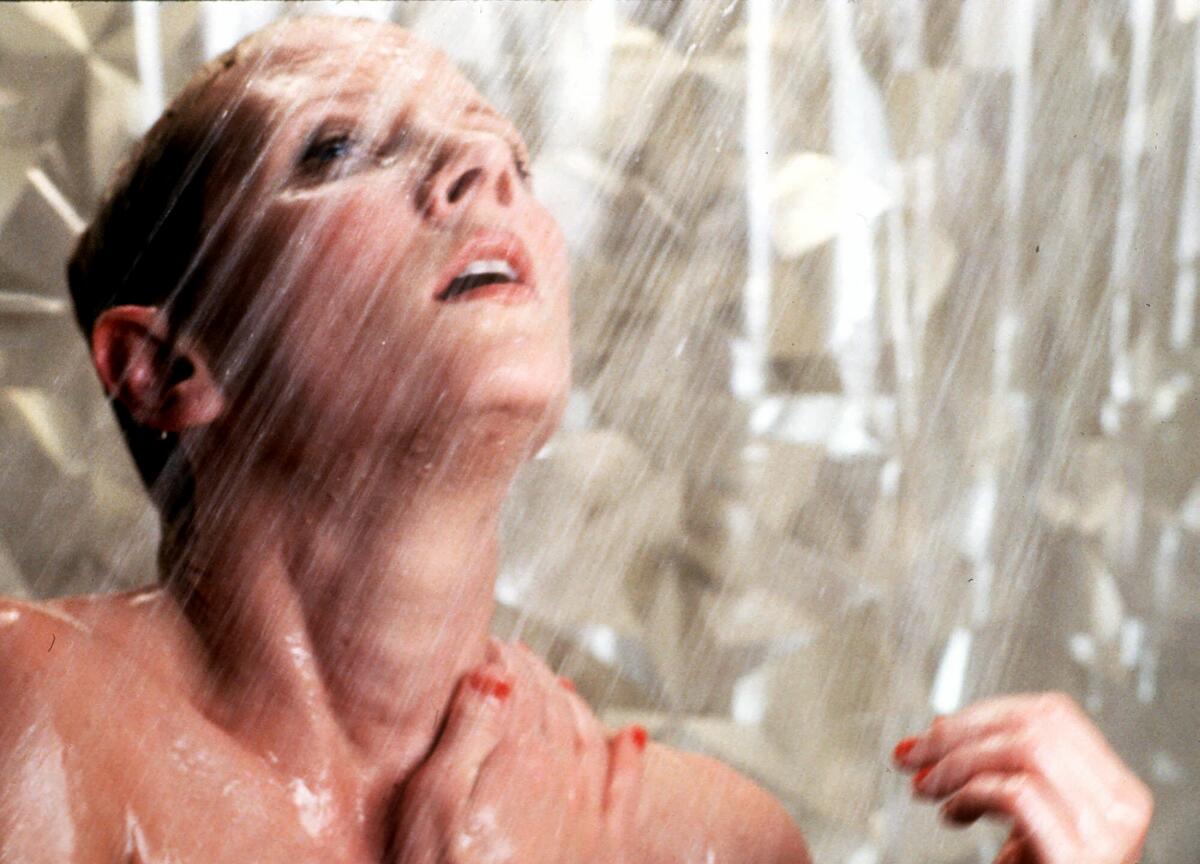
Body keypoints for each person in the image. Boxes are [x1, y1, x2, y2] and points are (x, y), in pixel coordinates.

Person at [0, 16, 1151, 864]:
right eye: (337, 150)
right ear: (165, 368)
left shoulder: (701, 842)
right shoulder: (21, 714)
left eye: (512, 156)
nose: (483, 172)